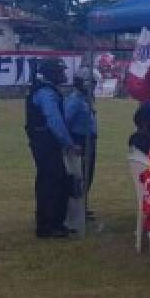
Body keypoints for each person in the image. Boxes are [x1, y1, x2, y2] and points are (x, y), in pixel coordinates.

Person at [24, 58, 78, 239]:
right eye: (60, 71)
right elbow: (54, 121)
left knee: (48, 182)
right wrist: (69, 143)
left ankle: (49, 224)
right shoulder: (46, 94)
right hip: (46, 144)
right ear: (52, 74)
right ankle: (51, 226)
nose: (63, 74)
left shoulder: (42, 90)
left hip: (42, 143)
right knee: (54, 183)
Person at [64, 75, 98, 214]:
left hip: (88, 140)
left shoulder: (84, 99)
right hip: (80, 141)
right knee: (80, 175)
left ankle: (82, 206)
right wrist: (71, 143)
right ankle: (76, 209)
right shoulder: (75, 101)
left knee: (87, 175)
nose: (94, 88)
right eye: (92, 84)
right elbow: (66, 121)